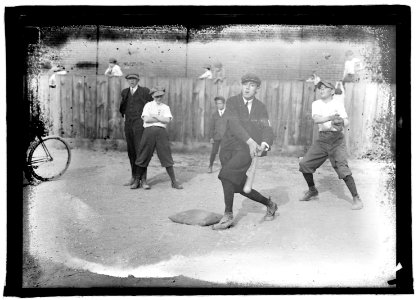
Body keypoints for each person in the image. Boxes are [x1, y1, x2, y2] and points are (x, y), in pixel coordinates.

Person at [212, 73, 277, 230]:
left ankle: (228, 215)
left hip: (246, 150)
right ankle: (270, 204)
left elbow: (267, 128)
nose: (247, 88)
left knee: (226, 175)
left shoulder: (261, 107)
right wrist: (251, 140)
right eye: (245, 84)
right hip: (228, 148)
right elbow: (234, 124)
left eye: (252, 85)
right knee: (237, 185)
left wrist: (263, 144)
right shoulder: (232, 102)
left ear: (257, 89)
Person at [298, 81, 363, 210]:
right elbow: (316, 119)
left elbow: (346, 121)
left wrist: (340, 122)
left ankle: (356, 198)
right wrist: (331, 117)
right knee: (304, 164)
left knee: (342, 168)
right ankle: (312, 190)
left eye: (325, 88)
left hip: (336, 140)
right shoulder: (316, 104)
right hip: (322, 140)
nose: (321, 90)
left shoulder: (338, 104)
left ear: (332, 91)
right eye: (320, 88)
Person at [134, 86, 183, 190]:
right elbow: (146, 119)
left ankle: (174, 181)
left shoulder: (166, 107)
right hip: (148, 132)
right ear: (152, 96)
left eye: (160, 96)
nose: (159, 98)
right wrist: (160, 118)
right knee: (144, 155)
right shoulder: (148, 105)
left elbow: (167, 121)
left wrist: (155, 117)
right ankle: (138, 180)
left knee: (166, 156)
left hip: (161, 132)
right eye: (156, 96)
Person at [119, 73, 153, 189]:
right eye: (129, 79)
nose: (132, 81)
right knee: (131, 151)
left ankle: (142, 179)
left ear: (138, 80)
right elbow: (122, 107)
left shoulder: (145, 91)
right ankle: (134, 177)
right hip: (128, 124)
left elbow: (151, 106)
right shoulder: (125, 92)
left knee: (141, 151)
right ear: (127, 81)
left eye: (134, 79)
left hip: (140, 124)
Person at [208, 96, 227, 173]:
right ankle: (210, 165)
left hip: (225, 137)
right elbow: (212, 127)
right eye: (217, 104)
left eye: (220, 103)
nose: (219, 105)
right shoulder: (214, 114)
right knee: (213, 152)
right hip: (216, 137)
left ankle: (223, 166)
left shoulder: (228, 114)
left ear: (224, 104)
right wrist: (211, 137)